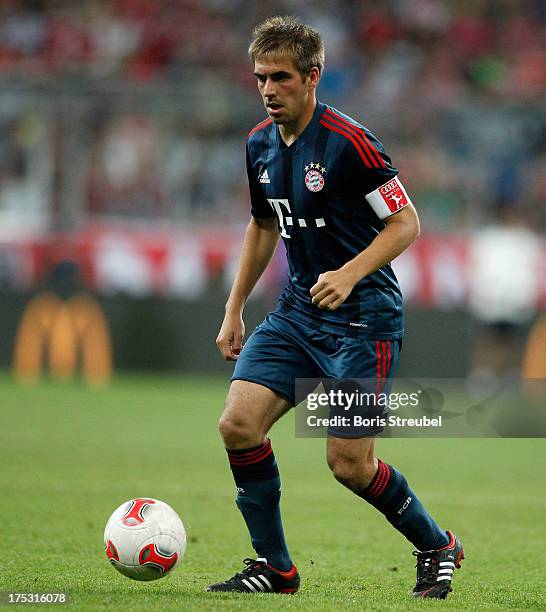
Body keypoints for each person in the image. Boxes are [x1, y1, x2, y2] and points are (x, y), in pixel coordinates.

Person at [207, 16, 463, 599]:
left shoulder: (351, 143)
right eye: (259, 79)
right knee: (237, 425)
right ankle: (276, 568)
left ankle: (437, 544)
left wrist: (348, 274)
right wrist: (233, 309)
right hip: (298, 313)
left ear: (313, 77)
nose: (269, 90)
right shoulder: (259, 145)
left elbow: (406, 223)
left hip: (362, 319)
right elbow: (262, 223)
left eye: (281, 78)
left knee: (349, 464)